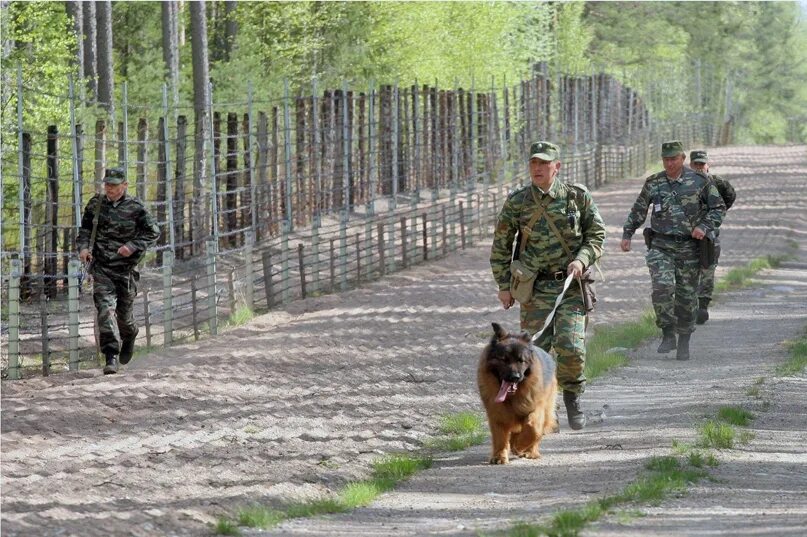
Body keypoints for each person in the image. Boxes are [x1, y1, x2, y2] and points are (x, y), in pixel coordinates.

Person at [490, 141, 606, 430]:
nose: (538, 168)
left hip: (570, 286)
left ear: (557, 166)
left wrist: (581, 259)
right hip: (535, 288)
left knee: (570, 346)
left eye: (544, 163)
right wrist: (504, 285)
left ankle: (572, 395)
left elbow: (596, 234)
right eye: (533, 163)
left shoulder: (576, 197)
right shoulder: (518, 202)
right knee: (532, 354)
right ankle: (534, 410)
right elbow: (501, 246)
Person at [620, 141, 725, 361]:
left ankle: (684, 339)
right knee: (662, 288)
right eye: (666, 159)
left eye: (673, 159)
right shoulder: (654, 182)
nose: (669, 163)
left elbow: (718, 208)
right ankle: (668, 332)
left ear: (682, 158)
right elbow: (639, 209)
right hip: (661, 246)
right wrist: (627, 234)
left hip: (689, 247)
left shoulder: (700, 181)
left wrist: (704, 227)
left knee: (686, 297)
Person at [77, 167, 160, 374]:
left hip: (125, 270)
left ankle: (130, 335)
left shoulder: (136, 208)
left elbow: (153, 232)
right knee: (105, 311)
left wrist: (132, 246)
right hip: (102, 268)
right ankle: (110, 356)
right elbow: (85, 229)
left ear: (125, 185)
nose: (110, 189)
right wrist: (84, 248)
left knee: (124, 318)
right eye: (107, 184)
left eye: (114, 185)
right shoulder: (96, 205)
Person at [689, 149, 736, 324]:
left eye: (702, 164)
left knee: (707, 270)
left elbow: (729, 197)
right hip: (687, 237)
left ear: (708, 165)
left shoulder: (717, 183)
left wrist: (714, 217)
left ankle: (702, 306)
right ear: (690, 165)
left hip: (709, 237)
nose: (699, 167)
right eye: (696, 164)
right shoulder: (683, 183)